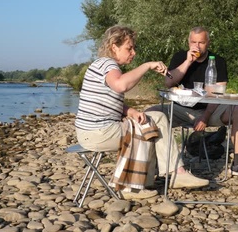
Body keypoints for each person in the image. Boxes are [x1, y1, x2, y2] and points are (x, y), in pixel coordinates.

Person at [75, 25, 209, 200]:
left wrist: (129, 111)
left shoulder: (103, 65)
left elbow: (106, 101)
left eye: (133, 48)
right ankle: (131, 187)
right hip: (98, 133)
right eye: (129, 48)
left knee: (157, 117)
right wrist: (147, 66)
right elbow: (121, 85)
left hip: (95, 131)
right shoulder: (107, 64)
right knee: (145, 128)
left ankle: (176, 171)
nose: (133, 52)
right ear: (114, 46)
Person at [147, 26, 238, 179]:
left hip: (210, 109)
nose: (197, 46)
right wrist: (187, 62)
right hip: (181, 109)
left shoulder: (217, 61)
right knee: (150, 114)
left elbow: (219, 92)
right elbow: (168, 83)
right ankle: (153, 164)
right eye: (193, 42)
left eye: (201, 42)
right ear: (188, 42)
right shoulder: (179, 57)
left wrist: (205, 116)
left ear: (208, 43)